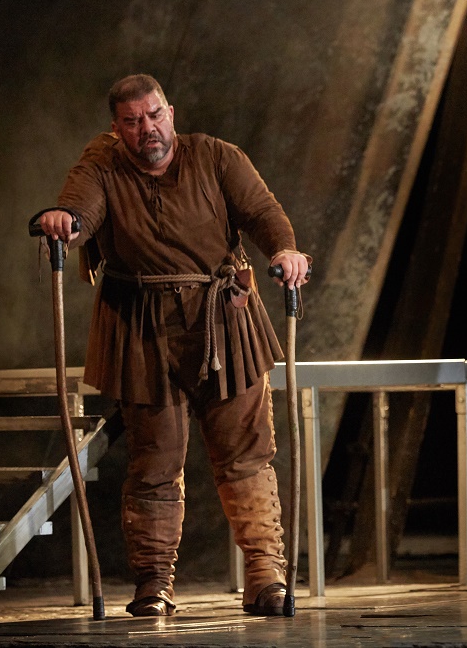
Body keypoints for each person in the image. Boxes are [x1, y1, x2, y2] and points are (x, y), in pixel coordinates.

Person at [37, 74, 310, 617]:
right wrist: (65, 221)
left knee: (246, 455)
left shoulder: (215, 156)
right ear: (117, 128)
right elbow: (80, 210)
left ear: (171, 113)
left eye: (155, 115)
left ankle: (265, 577)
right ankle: (154, 582)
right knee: (154, 462)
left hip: (223, 319)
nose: (148, 128)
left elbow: (262, 211)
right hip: (142, 329)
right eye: (133, 121)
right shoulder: (103, 164)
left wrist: (284, 250)